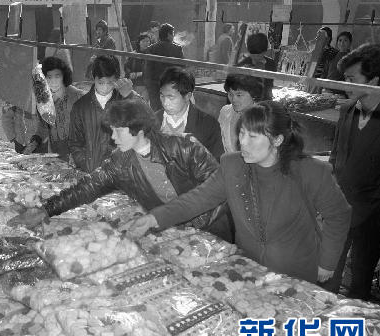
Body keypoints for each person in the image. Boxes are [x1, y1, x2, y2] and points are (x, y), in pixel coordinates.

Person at [122, 101, 351, 284]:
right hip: (250, 270)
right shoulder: (233, 166)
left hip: (295, 272)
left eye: (253, 137)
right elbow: (198, 199)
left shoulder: (311, 172)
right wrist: (154, 218)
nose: (243, 143)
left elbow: (339, 215)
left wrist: (327, 262)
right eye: (241, 134)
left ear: (277, 140)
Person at [10, 99, 220, 234]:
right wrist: (45, 210)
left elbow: (219, 188)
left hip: (212, 227)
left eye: (118, 131)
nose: (112, 137)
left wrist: (197, 224)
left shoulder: (184, 147)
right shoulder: (120, 161)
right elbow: (87, 187)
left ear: (138, 130)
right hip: (169, 231)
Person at [328, 44, 380, 299]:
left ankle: (355, 314)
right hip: (339, 206)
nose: (345, 85)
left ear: (374, 81)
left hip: (371, 213)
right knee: (329, 269)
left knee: (361, 276)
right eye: (344, 78)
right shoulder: (348, 109)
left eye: (351, 79)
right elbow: (336, 154)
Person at [69, 55, 140, 173]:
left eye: (110, 82)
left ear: (117, 79)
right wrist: (85, 163)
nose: (106, 87)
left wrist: (130, 95)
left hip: (119, 174)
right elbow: (75, 142)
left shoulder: (125, 101)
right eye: (101, 83)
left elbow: (144, 124)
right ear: (94, 78)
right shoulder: (80, 107)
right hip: (90, 172)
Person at [156, 67, 223, 160]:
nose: (165, 103)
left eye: (171, 97)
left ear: (188, 96)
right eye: (162, 96)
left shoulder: (208, 125)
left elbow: (216, 162)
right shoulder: (152, 120)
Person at [34, 56, 85, 161]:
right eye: (49, 77)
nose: (53, 82)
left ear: (64, 76)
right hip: (55, 155)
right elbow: (44, 126)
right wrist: (37, 139)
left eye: (57, 76)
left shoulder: (78, 97)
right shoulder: (44, 100)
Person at [217, 74, 264, 153]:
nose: (233, 99)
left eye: (239, 95)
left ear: (253, 94)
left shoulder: (263, 117)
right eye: (230, 94)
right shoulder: (225, 111)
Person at [143, 23, 184, 112]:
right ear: (169, 35)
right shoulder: (177, 49)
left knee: (156, 110)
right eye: (172, 34)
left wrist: (149, 86)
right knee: (170, 110)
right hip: (171, 86)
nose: (173, 36)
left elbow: (147, 69)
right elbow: (181, 68)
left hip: (154, 86)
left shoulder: (151, 49)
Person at [235, 33, 276, 100]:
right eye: (253, 54)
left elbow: (269, 86)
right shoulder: (242, 65)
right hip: (247, 102)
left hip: (265, 101)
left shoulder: (271, 64)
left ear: (265, 51)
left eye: (259, 54)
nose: (256, 57)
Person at [124, 34, 151, 101]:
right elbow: (127, 70)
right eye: (143, 41)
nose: (146, 43)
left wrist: (141, 74)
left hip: (147, 86)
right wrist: (135, 74)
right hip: (134, 85)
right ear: (139, 42)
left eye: (148, 41)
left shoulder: (152, 56)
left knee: (144, 104)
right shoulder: (133, 55)